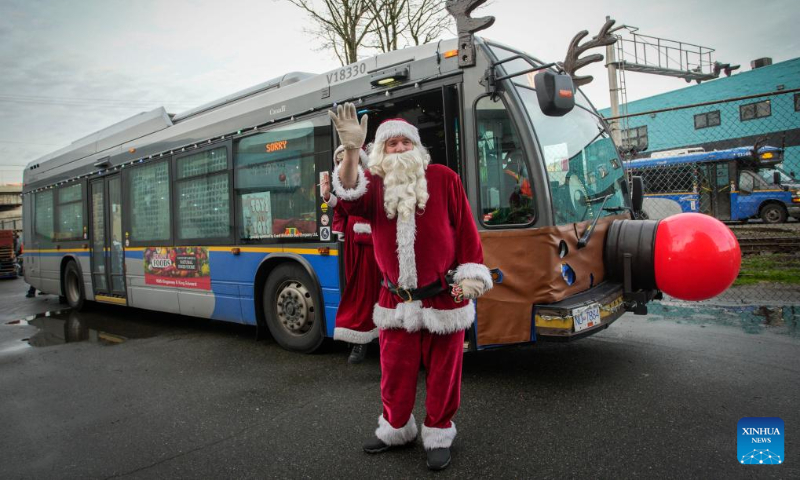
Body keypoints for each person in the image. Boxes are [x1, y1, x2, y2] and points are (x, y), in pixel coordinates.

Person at [329, 104, 492, 471]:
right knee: (394, 372)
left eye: (405, 143)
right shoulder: (375, 188)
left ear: (417, 148)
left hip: (443, 297)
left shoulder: (443, 178)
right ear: (381, 153)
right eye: (391, 145)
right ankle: (395, 429)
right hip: (395, 300)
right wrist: (353, 150)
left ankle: (438, 431)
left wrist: (472, 274)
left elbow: (465, 230)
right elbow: (349, 192)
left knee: (444, 374)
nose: (400, 149)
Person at [322, 145, 381, 364]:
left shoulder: (373, 180)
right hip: (353, 241)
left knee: (372, 290)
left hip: (374, 240)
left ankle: (374, 340)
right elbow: (345, 208)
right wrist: (329, 197)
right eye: (339, 160)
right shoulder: (345, 184)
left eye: (346, 158)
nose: (342, 164)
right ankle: (360, 339)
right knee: (357, 289)